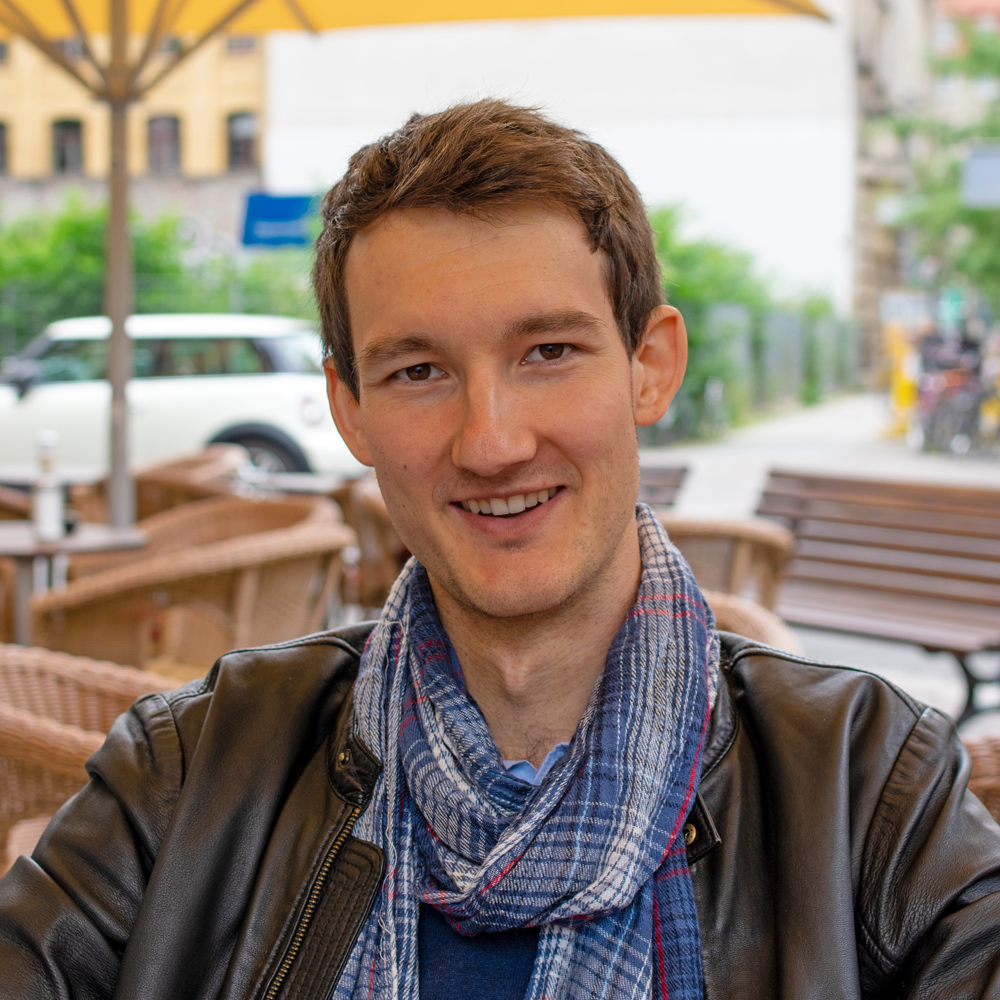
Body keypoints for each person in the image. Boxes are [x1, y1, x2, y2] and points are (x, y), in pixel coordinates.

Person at [2, 99, 1000, 1000]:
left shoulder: (865, 783)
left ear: (650, 367)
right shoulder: (191, 767)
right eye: (418, 370)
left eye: (548, 353)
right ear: (349, 409)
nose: (490, 442)